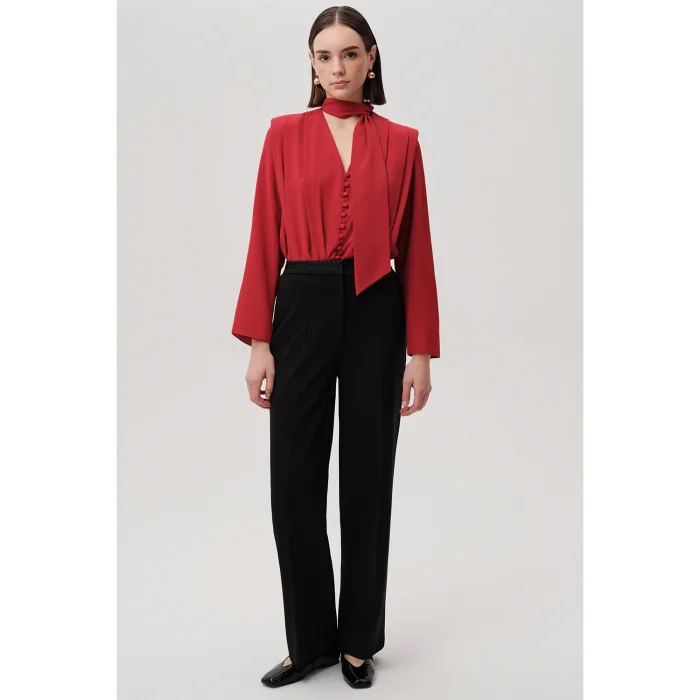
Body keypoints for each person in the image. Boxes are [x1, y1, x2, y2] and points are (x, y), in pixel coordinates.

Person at [231, 5, 440, 690]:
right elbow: (264, 235)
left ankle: (357, 642)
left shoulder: (402, 143)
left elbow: (417, 251)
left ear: (371, 58)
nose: (338, 68)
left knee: (368, 477)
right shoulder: (284, 135)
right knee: (293, 479)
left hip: (378, 306)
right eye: (325, 56)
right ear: (312, 65)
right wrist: (259, 341)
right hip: (302, 303)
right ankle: (310, 641)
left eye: (350, 54)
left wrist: (419, 352)